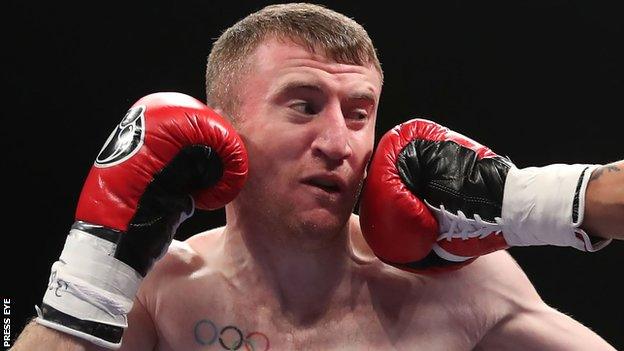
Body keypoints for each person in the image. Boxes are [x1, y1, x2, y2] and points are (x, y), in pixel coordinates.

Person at [11, 3, 622, 350]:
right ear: (219, 128)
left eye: (359, 114)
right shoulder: (164, 292)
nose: (339, 143)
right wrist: (94, 274)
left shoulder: (458, 290)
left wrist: (547, 200)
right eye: (304, 105)